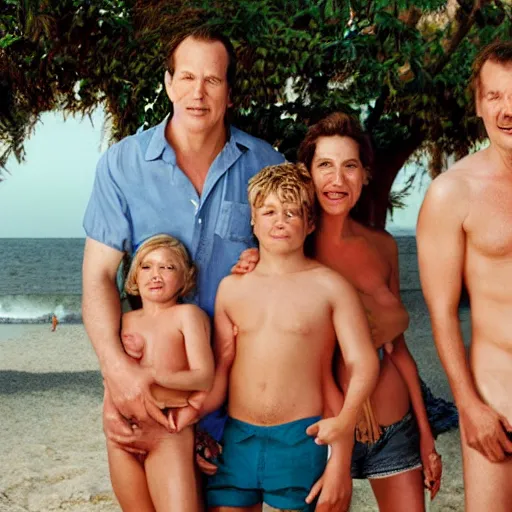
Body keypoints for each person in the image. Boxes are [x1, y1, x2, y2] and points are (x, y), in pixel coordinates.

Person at [81, 25, 284, 462]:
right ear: (169, 84)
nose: (198, 92)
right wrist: (118, 374)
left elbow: (295, 269)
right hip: (154, 389)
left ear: (229, 91)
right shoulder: (122, 165)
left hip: (244, 391)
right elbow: (97, 276)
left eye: (212, 79)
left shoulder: (267, 165)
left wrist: (266, 263)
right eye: (187, 78)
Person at [235, 112, 443, 510]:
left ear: (365, 176)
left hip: (395, 425)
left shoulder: (382, 246)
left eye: (350, 166)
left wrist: (425, 433)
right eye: (325, 165)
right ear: (307, 174)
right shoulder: (290, 252)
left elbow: (398, 350)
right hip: (322, 431)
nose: (337, 179)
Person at [201, 162, 379, 512]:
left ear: (310, 223)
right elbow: (222, 369)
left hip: (304, 437)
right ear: (252, 219)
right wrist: (193, 422)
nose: (279, 221)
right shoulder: (231, 288)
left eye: (292, 213)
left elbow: (364, 362)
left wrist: (344, 429)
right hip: (238, 438)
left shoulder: (330, 286)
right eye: (268, 211)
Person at [416, 40, 512, 512]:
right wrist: (468, 406)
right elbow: (440, 312)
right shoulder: (452, 193)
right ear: (478, 102)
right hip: (499, 398)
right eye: (495, 96)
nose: (507, 110)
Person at [107, 234, 214, 511]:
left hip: (168, 432)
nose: (156, 275)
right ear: (133, 277)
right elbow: (110, 375)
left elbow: (203, 376)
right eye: (146, 267)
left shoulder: (187, 315)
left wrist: (152, 376)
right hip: (123, 434)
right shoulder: (123, 321)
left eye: (167, 267)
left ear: (185, 278)